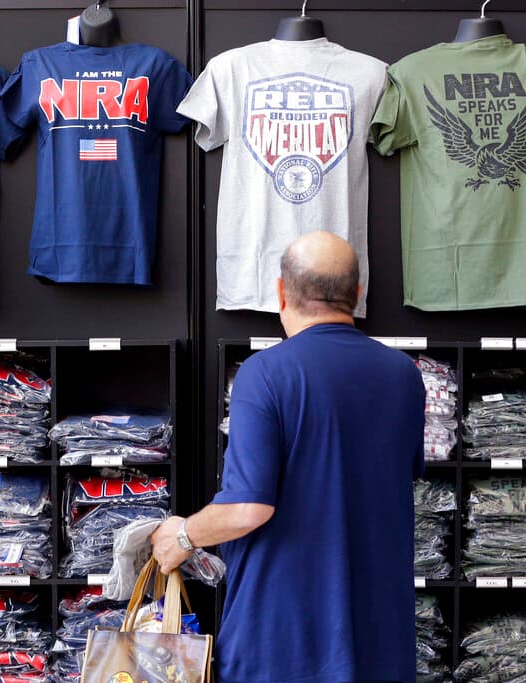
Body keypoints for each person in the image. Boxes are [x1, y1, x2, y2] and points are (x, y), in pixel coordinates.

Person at [151, 231, 425, 683]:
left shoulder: (266, 373)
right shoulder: (404, 375)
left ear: (281, 292)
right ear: (357, 294)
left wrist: (182, 535)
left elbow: (248, 507)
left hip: (282, 643)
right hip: (378, 638)